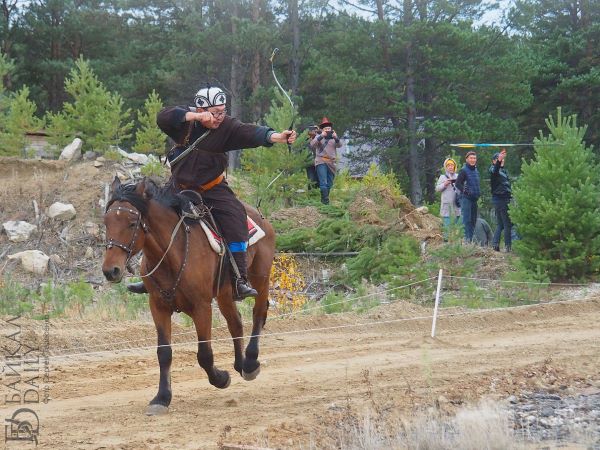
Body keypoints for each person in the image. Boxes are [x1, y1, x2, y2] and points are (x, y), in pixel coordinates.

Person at [127, 85, 297, 300]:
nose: (220, 117)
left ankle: (239, 279)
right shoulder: (184, 124)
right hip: (177, 189)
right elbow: (163, 116)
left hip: (213, 190)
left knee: (235, 218)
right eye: (215, 112)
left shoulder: (227, 127)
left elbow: (250, 132)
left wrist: (276, 137)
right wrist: (194, 118)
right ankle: (149, 277)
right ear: (200, 111)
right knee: (153, 218)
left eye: (222, 111)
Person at [311, 117, 341, 205]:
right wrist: (321, 136)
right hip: (321, 161)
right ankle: (325, 203)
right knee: (323, 182)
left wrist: (336, 138)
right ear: (323, 129)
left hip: (331, 162)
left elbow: (339, 145)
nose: (328, 130)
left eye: (329, 128)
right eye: (326, 128)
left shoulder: (333, 137)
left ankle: (324, 201)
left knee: (330, 184)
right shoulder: (318, 136)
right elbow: (312, 144)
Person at [454, 151, 480, 243]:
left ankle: (471, 239)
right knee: (466, 220)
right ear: (467, 159)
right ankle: (466, 240)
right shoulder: (464, 170)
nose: (473, 160)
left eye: (474, 158)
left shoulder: (476, 170)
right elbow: (457, 184)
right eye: (471, 158)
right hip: (466, 199)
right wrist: (465, 191)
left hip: (474, 199)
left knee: (473, 220)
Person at [489, 149, 512, 251]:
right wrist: (499, 160)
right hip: (501, 200)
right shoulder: (494, 170)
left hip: (503, 199)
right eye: (499, 160)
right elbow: (495, 170)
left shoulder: (504, 171)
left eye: (503, 160)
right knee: (507, 224)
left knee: (501, 224)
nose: (502, 161)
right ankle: (507, 246)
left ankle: (495, 245)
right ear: (494, 161)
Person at [435, 158, 461, 239]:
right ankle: (446, 241)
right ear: (446, 167)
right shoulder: (443, 177)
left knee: (458, 223)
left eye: (452, 165)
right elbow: (437, 189)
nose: (450, 167)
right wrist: (445, 184)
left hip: (457, 204)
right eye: (448, 165)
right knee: (447, 224)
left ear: (454, 166)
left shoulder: (458, 176)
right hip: (447, 205)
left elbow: (463, 187)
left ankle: (456, 241)